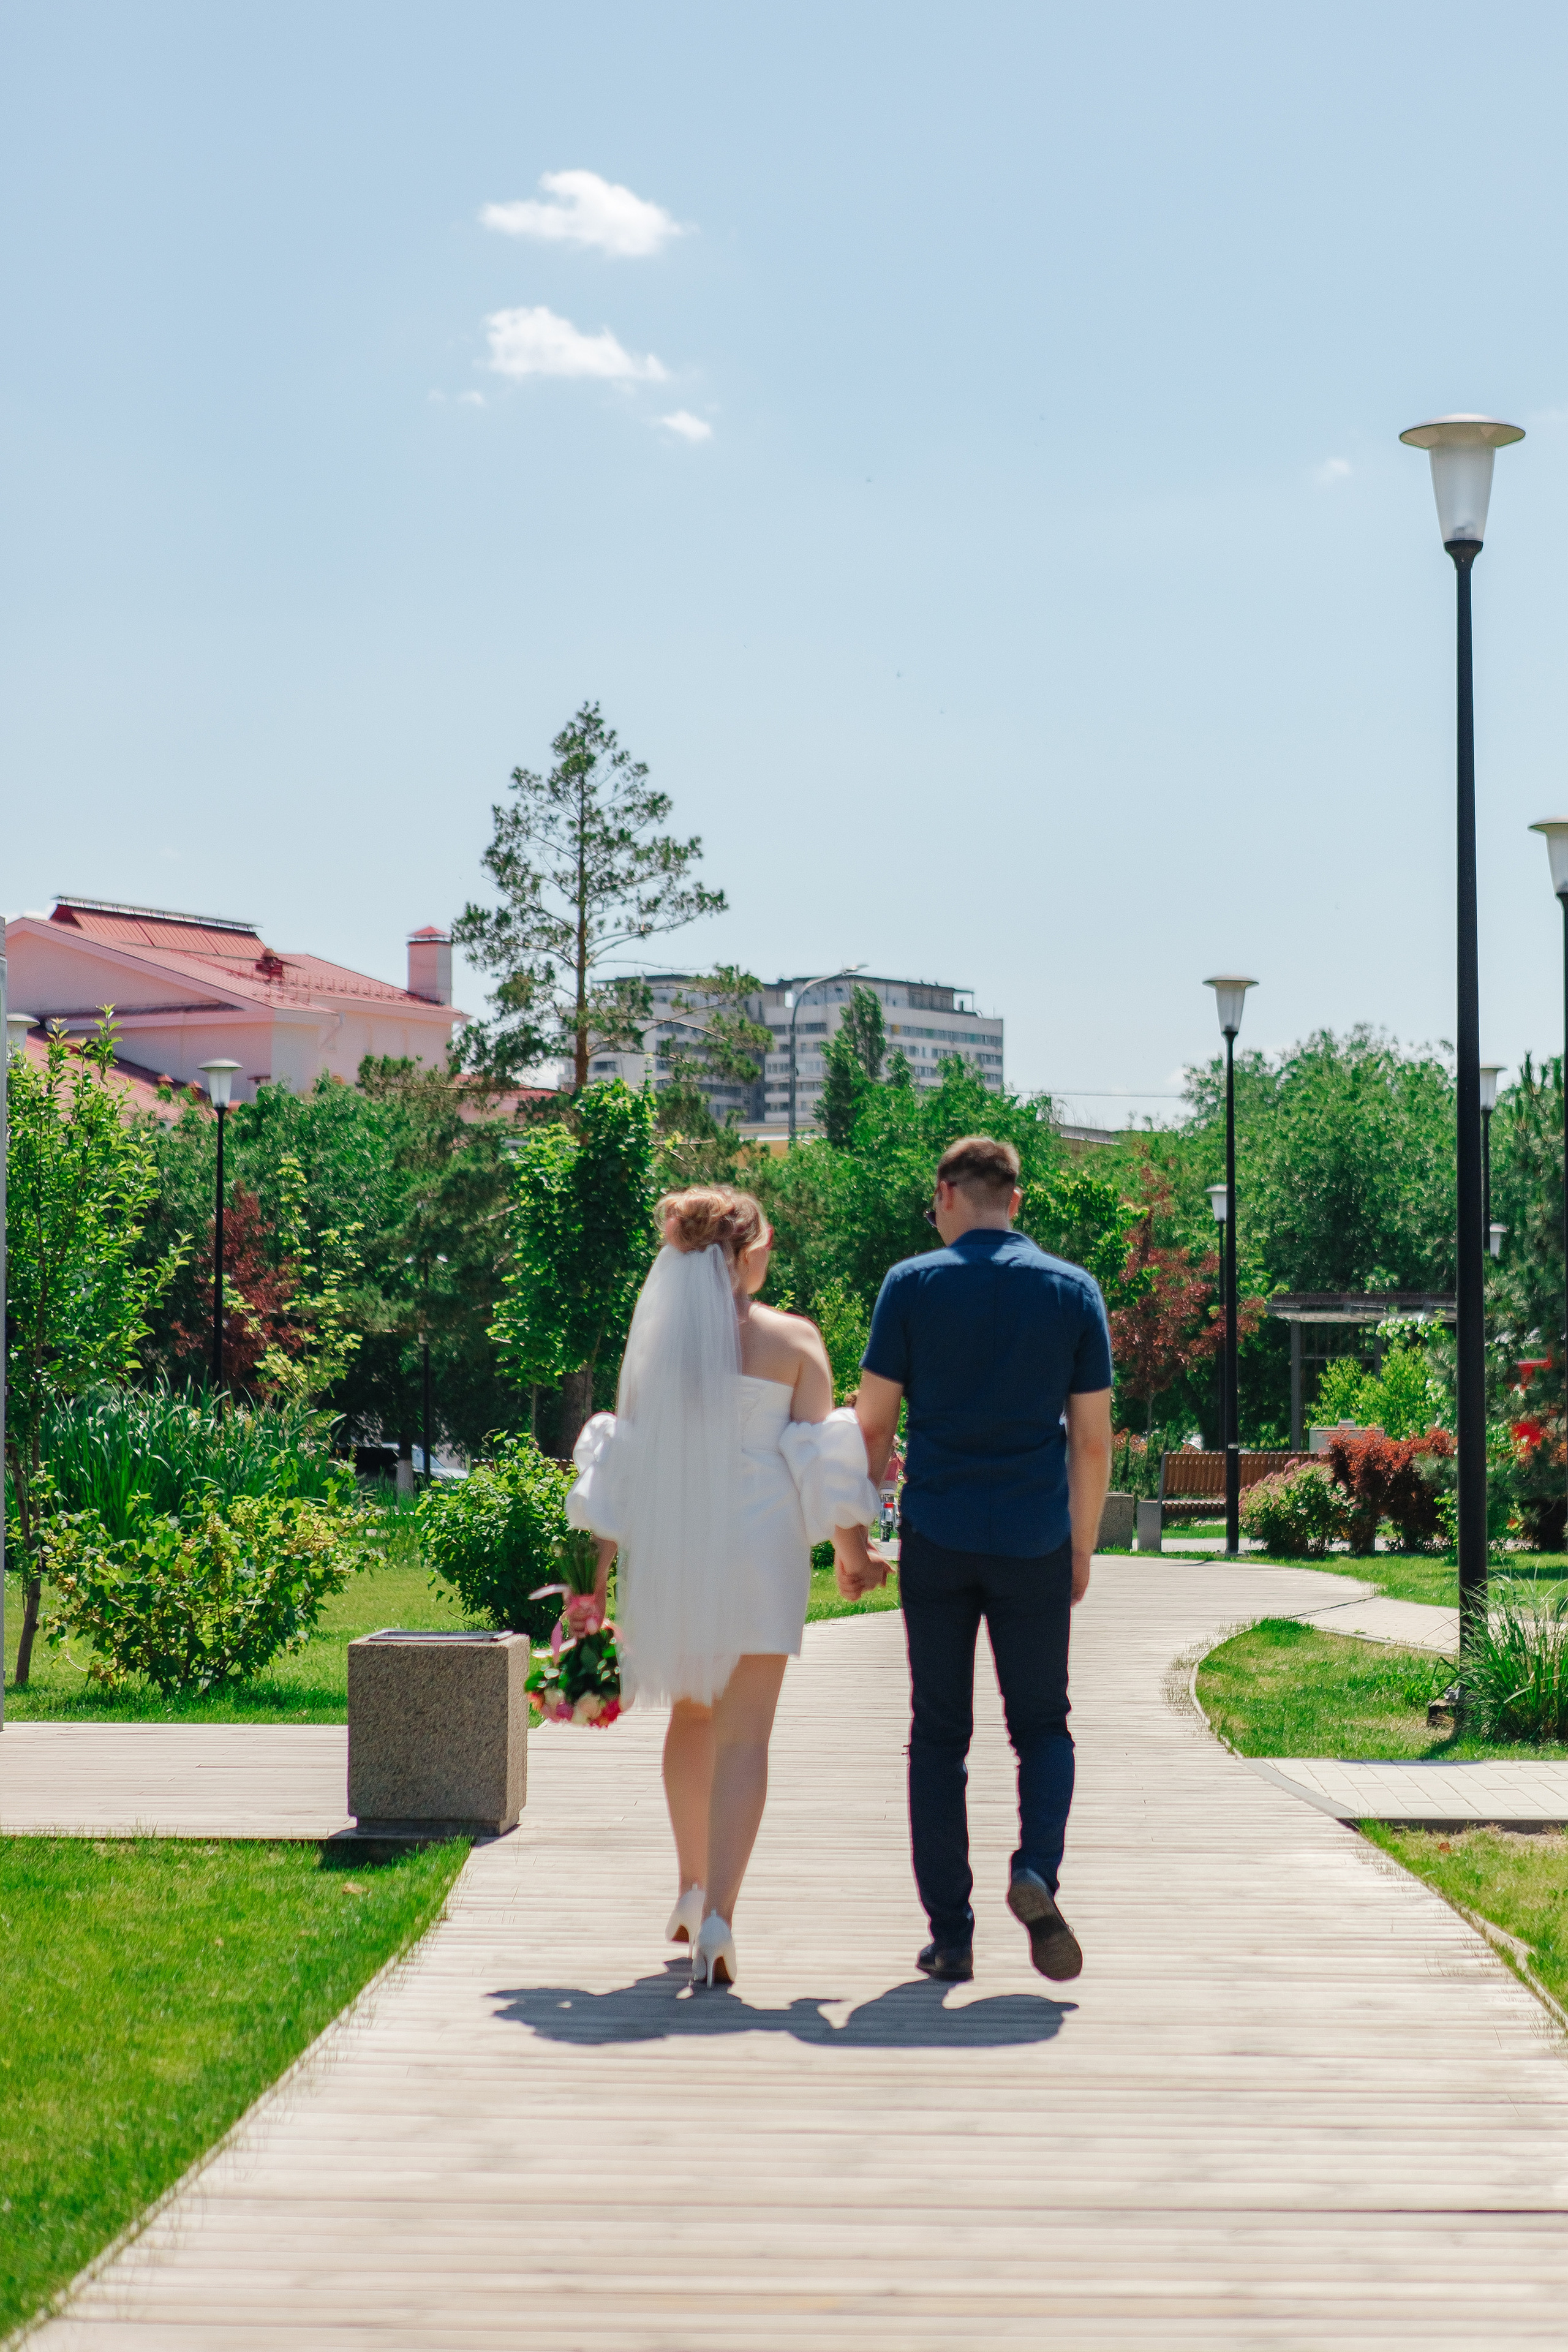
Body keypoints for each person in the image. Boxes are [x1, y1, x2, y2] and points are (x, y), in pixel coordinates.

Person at [567, 1185, 880, 1989]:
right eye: (765, 1241)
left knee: (693, 1717)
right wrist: (854, 1554)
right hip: (763, 1553)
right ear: (745, 1252)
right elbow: (819, 1460)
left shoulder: (658, 1349)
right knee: (746, 1738)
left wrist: (591, 1585)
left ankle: (690, 1883)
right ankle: (720, 1921)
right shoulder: (793, 1340)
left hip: (679, 1549)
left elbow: (622, 1468)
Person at [835, 1135, 1113, 1985]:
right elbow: (1092, 1442)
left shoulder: (910, 1285)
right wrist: (1080, 1546)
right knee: (1043, 1727)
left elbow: (873, 1425)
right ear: (1015, 1201)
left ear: (947, 1194)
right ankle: (1036, 1872)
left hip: (940, 1536)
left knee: (938, 1736)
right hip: (1033, 1537)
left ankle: (951, 1936)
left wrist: (857, 1531)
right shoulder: (1073, 1290)